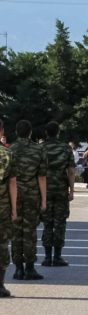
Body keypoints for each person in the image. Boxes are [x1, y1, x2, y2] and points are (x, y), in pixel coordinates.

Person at [10, 120, 46, 281]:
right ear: (30, 132)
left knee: (16, 231)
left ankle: (18, 268)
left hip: (15, 194)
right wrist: (44, 200)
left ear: (16, 132)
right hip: (32, 194)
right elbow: (42, 177)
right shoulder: (39, 150)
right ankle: (30, 268)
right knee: (30, 231)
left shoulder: (10, 150)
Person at [40, 122, 75, 268]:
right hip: (61, 190)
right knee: (60, 223)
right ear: (58, 133)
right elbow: (71, 171)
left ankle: (47, 257)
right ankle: (57, 257)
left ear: (46, 133)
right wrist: (71, 190)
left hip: (45, 190)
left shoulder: (41, 148)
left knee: (47, 223)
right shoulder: (66, 148)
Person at [0, 118, 17, 297]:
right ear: (2, 132)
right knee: (2, 243)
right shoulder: (7, 154)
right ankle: (0, 285)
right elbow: (12, 182)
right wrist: (14, 209)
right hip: (3, 206)